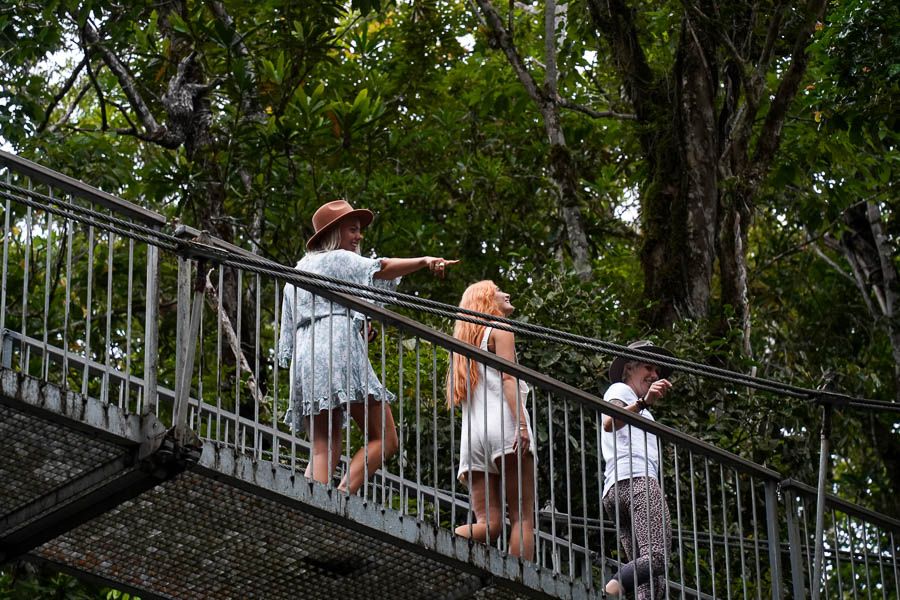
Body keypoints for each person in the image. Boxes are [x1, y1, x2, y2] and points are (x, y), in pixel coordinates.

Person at [278, 199, 458, 494]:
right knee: (385, 439)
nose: (358, 237)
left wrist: (356, 328)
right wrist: (424, 261)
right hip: (338, 349)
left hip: (307, 358)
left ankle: (312, 501)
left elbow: (298, 325)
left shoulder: (296, 273)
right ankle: (343, 495)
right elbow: (381, 267)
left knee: (324, 446)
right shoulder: (335, 258)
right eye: (352, 230)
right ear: (334, 233)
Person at [448, 280, 535, 560]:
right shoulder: (500, 329)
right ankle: (519, 589)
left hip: (473, 439)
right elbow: (509, 379)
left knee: (489, 526)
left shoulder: (462, 350)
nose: (506, 293)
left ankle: (444, 547)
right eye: (498, 290)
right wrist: (521, 425)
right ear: (486, 299)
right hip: (504, 427)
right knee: (522, 519)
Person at [601, 340, 674, 599]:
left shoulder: (637, 403)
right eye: (648, 367)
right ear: (629, 368)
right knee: (657, 557)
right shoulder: (620, 390)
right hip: (636, 483)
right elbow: (610, 422)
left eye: (657, 371)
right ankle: (613, 586)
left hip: (618, 490)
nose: (654, 375)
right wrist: (644, 402)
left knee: (651, 580)